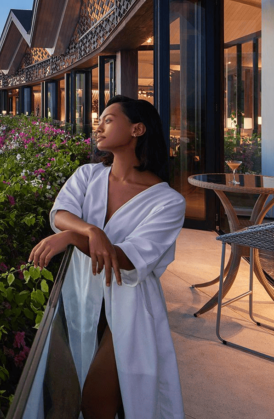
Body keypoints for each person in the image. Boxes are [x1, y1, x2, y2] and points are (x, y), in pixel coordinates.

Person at [28, 96, 186, 419]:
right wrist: (90, 230)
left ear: (137, 129)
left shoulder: (168, 202)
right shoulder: (88, 176)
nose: (97, 126)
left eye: (109, 119)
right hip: (81, 294)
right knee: (72, 393)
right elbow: (60, 213)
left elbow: (129, 259)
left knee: (96, 400)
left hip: (131, 306)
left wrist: (76, 236)